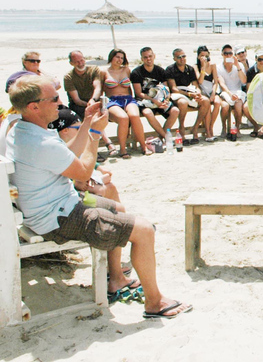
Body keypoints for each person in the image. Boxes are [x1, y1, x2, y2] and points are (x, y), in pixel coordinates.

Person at [7, 75, 192, 318]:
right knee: (145, 230)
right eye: (53, 99)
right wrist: (95, 133)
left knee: (119, 209)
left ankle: (115, 279)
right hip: (59, 219)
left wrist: (86, 123)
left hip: (56, 208)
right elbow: (82, 172)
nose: (60, 103)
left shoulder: (24, 130)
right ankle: (154, 303)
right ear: (34, 106)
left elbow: (67, 155)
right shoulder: (40, 142)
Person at [64, 50, 115, 156]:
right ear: (71, 63)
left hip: (94, 101)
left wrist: (92, 100)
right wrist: (88, 105)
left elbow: (97, 87)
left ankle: (98, 146)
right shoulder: (69, 77)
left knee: (94, 113)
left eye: (82, 60)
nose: (80, 63)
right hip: (78, 105)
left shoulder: (93, 70)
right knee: (91, 115)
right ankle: (107, 142)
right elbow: (76, 99)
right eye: (77, 61)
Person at [103, 49, 149, 157]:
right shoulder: (104, 72)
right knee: (123, 118)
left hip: (128, 98)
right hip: (112, 100)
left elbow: (131, 89)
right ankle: (122, 149)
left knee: (134, 115)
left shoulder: (127, 70)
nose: (119, 60)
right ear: (111, 57)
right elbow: (101, 89)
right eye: (117, 57)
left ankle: (143, 146)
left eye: (122, 58)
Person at [130, 47, 180, 139]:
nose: (148, 59)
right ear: (142, 59)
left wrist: (166, 99)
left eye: (150, 56)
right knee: (148, 113)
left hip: (160, 99)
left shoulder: (160, 71)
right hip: (145, 101)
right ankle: (165, 137)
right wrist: (153, 100)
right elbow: (138, 93)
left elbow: (166, 89)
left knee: (175, 111)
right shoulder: (136, 73)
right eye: (145, 57)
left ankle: (161, 137)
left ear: (154, 56)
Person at [166, 48, 210, 144]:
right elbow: (174, 88)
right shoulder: (170, 69)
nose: (182, 59)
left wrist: (198, 93)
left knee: (205, 101)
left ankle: (195, 127)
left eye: (184, 56)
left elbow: (196, 85)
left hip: (189, 91)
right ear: (174, 59)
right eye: (179, 57)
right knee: (183, 102)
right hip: (178, 94)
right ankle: (181, 128)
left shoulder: (189, 69)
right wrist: (189, 94)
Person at [217, 44, 247, 139]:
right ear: (222, 54)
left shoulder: (239, 65)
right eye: (226, 53)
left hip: (237, 91)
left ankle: (237, 128)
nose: (228, 56)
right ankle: (224, 128)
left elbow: (244, 81)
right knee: (225, 107)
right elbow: (222, 84)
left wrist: (237, 65)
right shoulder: (219, 67)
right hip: (226, 92)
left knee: (238, 105)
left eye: (230, 53)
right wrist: (230, 94)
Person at [194, 45, 221, 142]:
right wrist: (203, 68)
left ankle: (210, 126)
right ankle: (209, 132)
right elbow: (200, 81)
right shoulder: (196, 67)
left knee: (218, 103)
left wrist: (213, 93)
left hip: (211, 90)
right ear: (198, 57)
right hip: (202, 91)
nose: (204, 57)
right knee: (208, 105)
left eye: (206, 55)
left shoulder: (213, 65)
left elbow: (216, 81)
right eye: (202, 55)